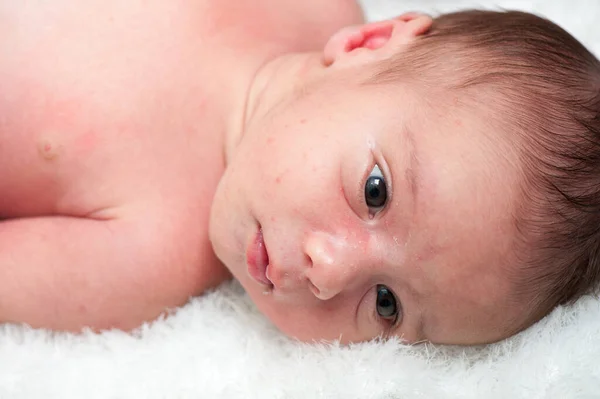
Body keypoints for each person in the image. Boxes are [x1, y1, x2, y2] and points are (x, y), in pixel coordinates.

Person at [1, 1, 599, 346]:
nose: (329, 273)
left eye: (387, 305)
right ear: (371, 42)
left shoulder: (149, 257)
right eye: (375, 191)